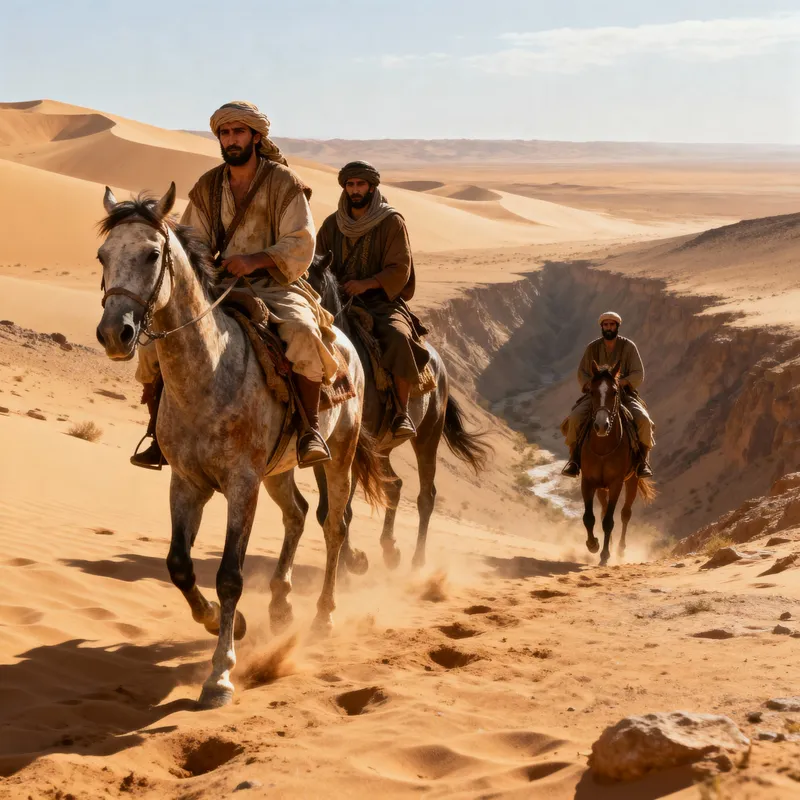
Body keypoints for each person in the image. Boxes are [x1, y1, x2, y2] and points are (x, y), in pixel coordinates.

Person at [132, 100, 339, 469]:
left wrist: (255, 260)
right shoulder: (209, 185)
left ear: (256, 136)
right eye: (224, 133)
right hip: (219, 284)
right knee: (154, 344)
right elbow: (189, 240)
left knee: (303, 332)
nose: (231, 139)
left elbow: (301, 240)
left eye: (238, 131)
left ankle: (310, 429)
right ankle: (157, 433)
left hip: (276, 284)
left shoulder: (282, 182)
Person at [316, 161, 430, 441]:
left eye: (360, 185)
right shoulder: (332, 224)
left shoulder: (391, 221)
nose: (355, 190)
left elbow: (399, 268)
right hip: (338, 300)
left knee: (397, 336)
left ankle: (401, 412)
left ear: (372, 187)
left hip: (381, 301)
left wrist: (366, 283)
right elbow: (317, 262)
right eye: (350, 185)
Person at [561, 312, 654, 478]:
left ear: (617, 326)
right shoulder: (592, 348)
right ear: (602, 327)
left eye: (612, 325)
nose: (609, 328)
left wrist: (622, 383)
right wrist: (590, 385)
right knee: (574, 418)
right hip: (597, 395)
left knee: (644, 421)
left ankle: (642, 462)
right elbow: (582, 372)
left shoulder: (628, 347)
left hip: (623, 393)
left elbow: (638, 373)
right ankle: (574, 460)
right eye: (606, 325)